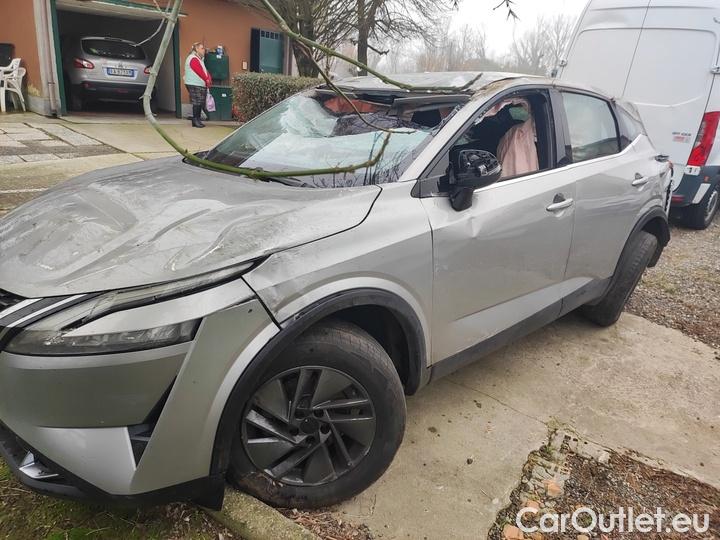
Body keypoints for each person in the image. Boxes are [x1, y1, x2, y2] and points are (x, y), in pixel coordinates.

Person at [184, 42, 212, 128]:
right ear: (196, 49)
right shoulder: (193, 58)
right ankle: (196, 120)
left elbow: (204, 71)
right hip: (194, 83)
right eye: (202, 48)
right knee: (197, 102)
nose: (204, 50)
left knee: (199, 102)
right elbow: (199, 71)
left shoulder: (199, 59)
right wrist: (206, 79)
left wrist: (208, 78)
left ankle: (197, 120)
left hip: (198, 83)